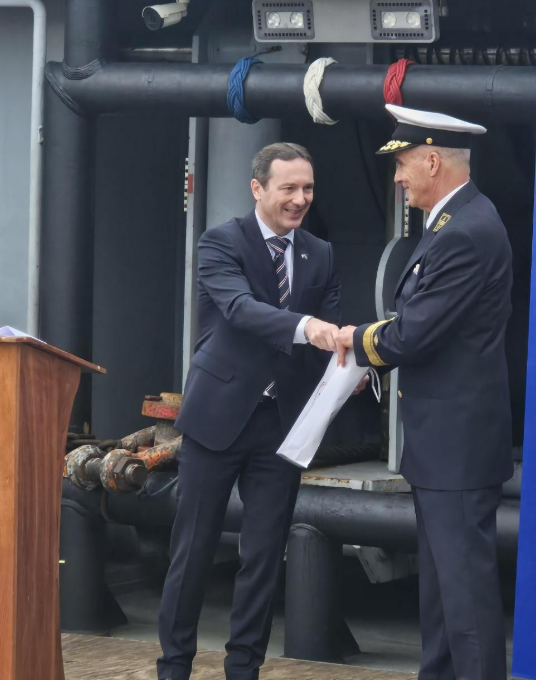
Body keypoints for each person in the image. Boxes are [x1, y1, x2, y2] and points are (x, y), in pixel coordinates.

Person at [336, 104, 514, 680]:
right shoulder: (453, 224)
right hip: (444, 445)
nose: (397, 178)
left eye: (403, 164)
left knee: (465, 600)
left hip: (457, 447)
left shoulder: (465, 232)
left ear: (433, 161)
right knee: (440, 596)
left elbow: (413, 333)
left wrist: (352, 340)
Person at [158, 142, 343, 680]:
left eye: (308, 188)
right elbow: (239, 309)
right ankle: (174, 667)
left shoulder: (321, 253)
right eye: (288, 188)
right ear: (258, 188)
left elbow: (331, 333)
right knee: (192, 551)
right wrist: (307, 327)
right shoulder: (221, 242)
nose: (300, 199)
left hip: (282, 426)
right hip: (217, 418)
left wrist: (350, 364)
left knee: (263, 558)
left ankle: (245, 669)